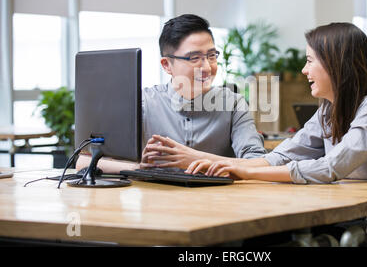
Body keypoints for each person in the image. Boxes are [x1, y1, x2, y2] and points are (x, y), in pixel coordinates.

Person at [151, 22, 367, 184]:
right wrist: (228, 166)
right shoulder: (329, 110)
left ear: (338, 66)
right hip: (351, 208)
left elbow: (329, 167)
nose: (304, 70)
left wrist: (244, 172)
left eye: (311, 61)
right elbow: (282, 156)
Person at [76, 14, 266, 173]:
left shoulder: (233, 104)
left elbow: (259, 163)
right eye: (194, 58)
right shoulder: (142, 104)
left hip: (217, 205)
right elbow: (83, 162)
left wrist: (195, 159)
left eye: (211, 55)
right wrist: (137, 167)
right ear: (167, 65)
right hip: (158, 208)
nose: (207, 67)